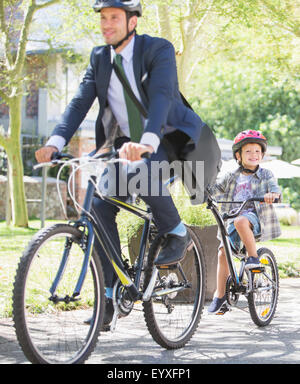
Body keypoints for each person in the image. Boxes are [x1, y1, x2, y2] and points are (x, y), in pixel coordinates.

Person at [35, 0, 205, 328]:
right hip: (125, 147)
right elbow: (79, 102)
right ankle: (112, 295)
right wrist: (54, 142)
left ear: (132, 21)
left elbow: (160, 97)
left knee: (144, 171)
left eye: (114, 17)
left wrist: (148, 142)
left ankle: (177, 231)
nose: (106, 24)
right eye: (102, 18)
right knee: (97, 207)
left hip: (169, 141)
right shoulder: (100, 58)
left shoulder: (159, 50)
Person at [207, 130, 281, 314]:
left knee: (241, 221)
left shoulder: (266, 174)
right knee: (223, 252)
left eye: (257, 151)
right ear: (238, 155)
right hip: (231, 219)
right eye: (248, 151)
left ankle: (253, 258)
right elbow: (216, 189)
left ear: (262, 155)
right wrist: (204, 190)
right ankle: (220, 295)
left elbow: (274, 189)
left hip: (255, 217)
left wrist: (273, 195)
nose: (253, 155)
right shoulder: (231, 175)